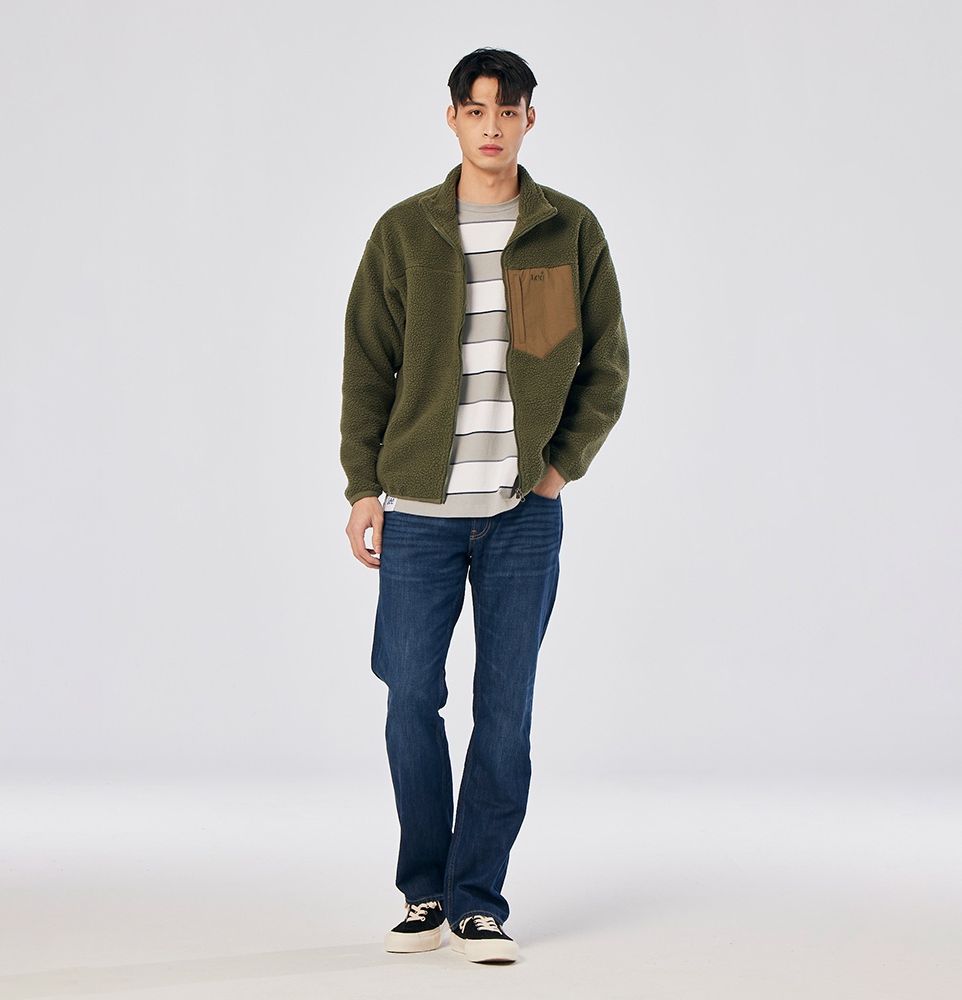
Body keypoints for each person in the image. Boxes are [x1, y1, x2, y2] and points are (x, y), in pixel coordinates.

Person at [340, 47, 628, 964]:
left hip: (521, 516)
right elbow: (366, 367)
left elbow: (604, 366)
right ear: (453, 118)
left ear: (530, 119)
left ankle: (477, 900)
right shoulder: (406, 231)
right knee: (409, 697)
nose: (492, 125)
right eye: (476, 109)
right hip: (418, 510)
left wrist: (558, 468)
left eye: (508, 110)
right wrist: (362, 487)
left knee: (506, 711)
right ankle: (423, 891)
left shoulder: (565, 231)